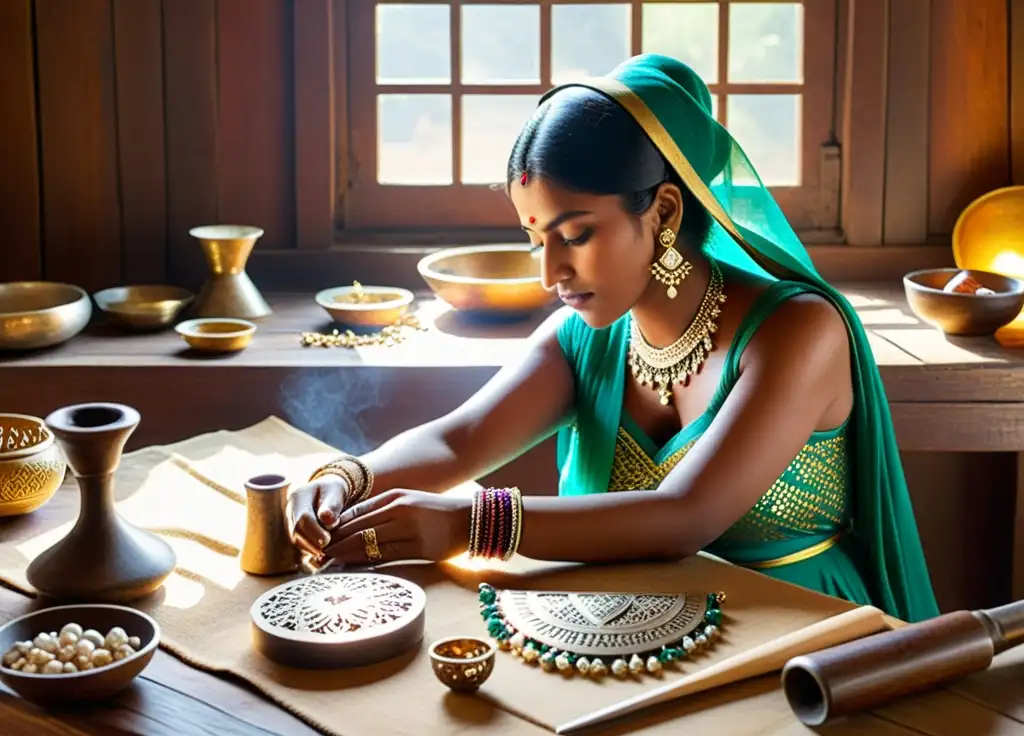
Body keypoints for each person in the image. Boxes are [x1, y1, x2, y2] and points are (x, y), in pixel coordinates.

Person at [287, 54, 940, 623]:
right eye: (535, 239)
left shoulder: (798, 331)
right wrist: (348, 477)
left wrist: (466, 523)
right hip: (628, 629)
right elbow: (460, 438)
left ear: (661, 212)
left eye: (575, 235)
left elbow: (686, 515)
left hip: (799, 637)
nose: (550, 273)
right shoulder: (587, 336)